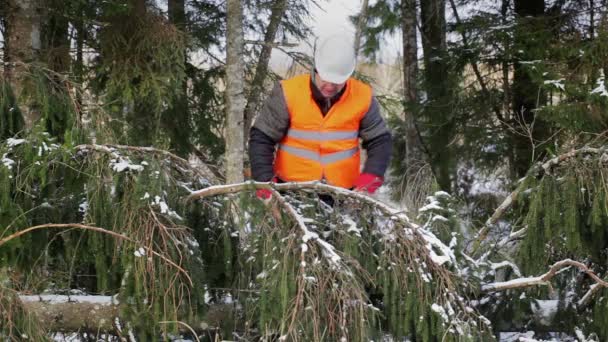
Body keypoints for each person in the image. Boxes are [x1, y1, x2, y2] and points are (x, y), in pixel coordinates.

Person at [248, 33, 392, 201]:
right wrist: (265, 182)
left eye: (337, 81)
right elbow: (262, 137)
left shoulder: (362, 96)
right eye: (326, 78)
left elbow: (380, 139)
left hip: (343, 195)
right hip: (291, 192)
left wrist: (371, 177)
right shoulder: (288, 92)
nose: (330, 87)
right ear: (315, 68)